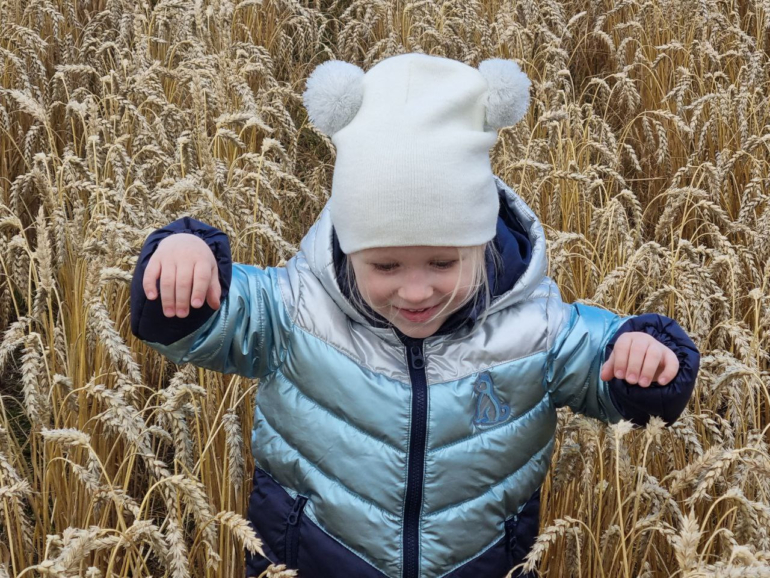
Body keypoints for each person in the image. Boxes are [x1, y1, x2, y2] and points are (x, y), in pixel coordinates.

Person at [130, 53, 700, 578]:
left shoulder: (537, 331)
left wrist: (645, 358)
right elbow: (203, 321)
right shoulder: (294, 311)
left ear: (481, 246)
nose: (416, 289)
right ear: (349, 252)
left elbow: (613, 371)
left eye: (442, 261)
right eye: (385, 266)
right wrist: (183, 262)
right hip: (313, 560)